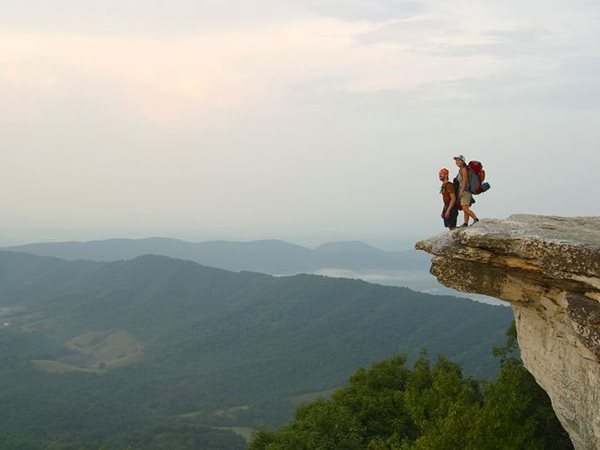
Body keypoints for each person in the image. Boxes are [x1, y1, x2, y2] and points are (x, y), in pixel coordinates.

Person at [454, 155, 479, 227]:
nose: (456, 162)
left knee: (464, 207)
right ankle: (465, 223)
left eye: (458, 160)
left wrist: (462, 191)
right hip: (465, 191)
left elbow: (465, 180)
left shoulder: (464, 169)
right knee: (465, 208)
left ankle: (475, 219)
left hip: (466, 191)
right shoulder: (461, 169)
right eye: (456, 160)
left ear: (462, 161)